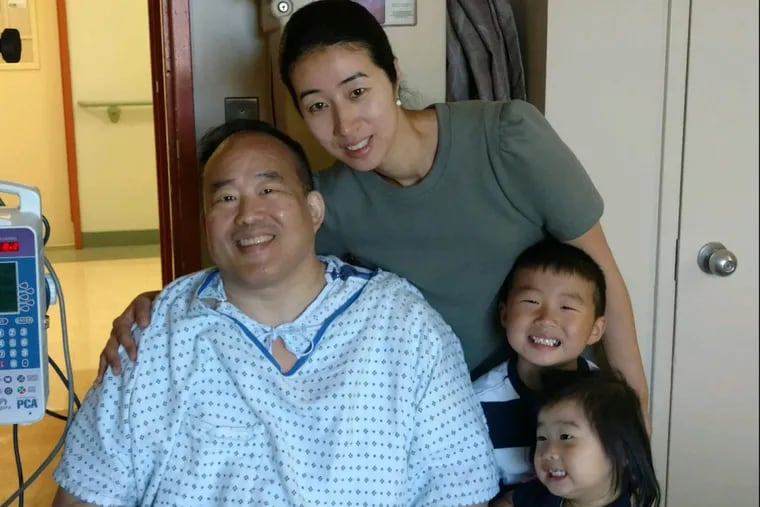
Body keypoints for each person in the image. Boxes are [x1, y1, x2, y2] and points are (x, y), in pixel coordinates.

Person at [98, 0, 649, 420]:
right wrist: (156, 309)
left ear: (393, 75)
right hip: (434, 417)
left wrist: (635, 421)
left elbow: (602, 279)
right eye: (318, 106)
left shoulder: (508, 137)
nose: (345, 125)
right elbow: (250, 278)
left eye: (357, 91)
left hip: (553, 399)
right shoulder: (327, 204)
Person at [52, 120, 499, 506]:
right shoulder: (156, 334)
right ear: (206, 224)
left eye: (268, 190)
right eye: (226, 199)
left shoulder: (403, 325)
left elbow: (461, 490)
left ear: (314, 210)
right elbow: (87, 491)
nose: (248, 214)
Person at [473, 240, 606, 488]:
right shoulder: (476, 405)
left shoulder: (607, 398)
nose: (547, 318)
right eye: (531, 302)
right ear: (504, 314)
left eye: (567, 307)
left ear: (596, 329)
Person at [495, 369, 661, 506]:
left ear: (622, 451)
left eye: (566, 436)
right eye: (542, 438)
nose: (548, 452)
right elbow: (509, 501)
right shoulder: (539, 495)